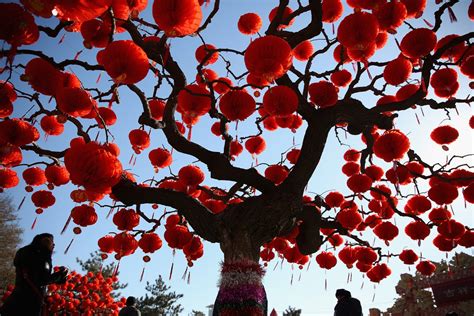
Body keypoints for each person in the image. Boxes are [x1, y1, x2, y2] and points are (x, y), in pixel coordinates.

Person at [0, 233, 68, 316]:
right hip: (28, 305)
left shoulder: (25, 252)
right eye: (52, 242)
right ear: (45, 241)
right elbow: (42, 279)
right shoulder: (40, 256)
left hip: (15, 302)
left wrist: (60, 276)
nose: (54, 245)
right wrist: (59, 275)